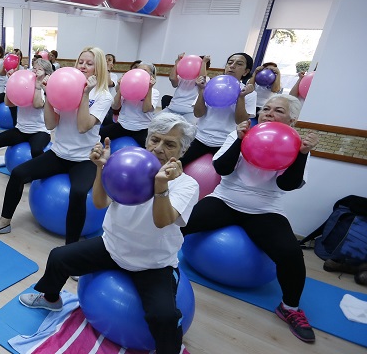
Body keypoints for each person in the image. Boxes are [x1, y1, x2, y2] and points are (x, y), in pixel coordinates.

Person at [18, 112, 199, 354]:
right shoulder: (127, 165)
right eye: (155, 140)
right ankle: (52, 299)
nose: (158, 148)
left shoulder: (187, 184)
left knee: (164, 317)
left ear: (183, 151)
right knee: (58, 257)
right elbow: (101, 202)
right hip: (112, 248)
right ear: (146, 140)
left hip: (153, 263)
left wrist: (161, 185)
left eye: (169, 144)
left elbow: (162, 220)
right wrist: (102, 169)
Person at [181, 94, 319, 343]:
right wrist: (240, 140)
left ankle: (289, 309)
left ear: (292, 120)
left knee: (291, 254)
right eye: (266, 108)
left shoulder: (295, 144)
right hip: (225, 200)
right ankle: (155, 265)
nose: (269, 113)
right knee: (177, 223)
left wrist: (301, 155)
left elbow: (287, 184)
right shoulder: (240, 133)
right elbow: (221, 169)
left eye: (278, 110)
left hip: (265, 210)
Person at [0, 47, 112, 245]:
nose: (83, 66)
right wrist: (48, 92)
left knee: (78, 193)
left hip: (84, 159)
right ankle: (4, 222)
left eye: (89, 63)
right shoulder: (65, 86)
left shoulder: (102, 96)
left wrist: (85, 95)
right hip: (58, 154)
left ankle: (71, 249)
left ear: (98, 68)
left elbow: (83, 126)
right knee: (17, 174)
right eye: (81, 62)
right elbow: (50, 124)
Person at [180, 53, 256, 167]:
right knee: (178, 163)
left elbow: (240, 121)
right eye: (230, 63)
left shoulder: (249, 93)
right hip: (200, 137)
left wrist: (241, 97)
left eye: (239, 64)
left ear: (245, 72)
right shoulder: (210, 85)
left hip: (225, 141)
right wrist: (202, 91)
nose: (232, 66)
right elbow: (198, 113)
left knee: (224, 171)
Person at [0, 58, 52, 172]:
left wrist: (38, 85)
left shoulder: (46, 90)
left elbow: (38, 104)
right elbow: (8, 103)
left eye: (40, 69)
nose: (35, 71)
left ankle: (41, 175)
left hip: (40, 131)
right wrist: (11, 82)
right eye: (34, 68)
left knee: (36, 151)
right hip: (21, 129)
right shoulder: (24, 86)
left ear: (47, 74)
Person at [99, 62, 160, 148]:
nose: (139, 73)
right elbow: (115, 106)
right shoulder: (128, 88)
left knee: (152, 149)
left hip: (142, 129)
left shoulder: (154, 92)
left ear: (151, 76)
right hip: (122, 126)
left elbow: (146, 109)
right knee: (97, 136)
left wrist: (149, 88)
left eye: (144, 71)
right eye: (137, 70)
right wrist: (121, 86)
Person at [165, 53, 209, 123]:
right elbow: (172, 79)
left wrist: (204, 62)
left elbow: (201, 80)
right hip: (172, 108)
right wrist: (177, 61)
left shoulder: (206, 79)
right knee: (156, 123)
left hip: (189, 112)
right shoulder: (183, 77)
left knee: (187, 130)